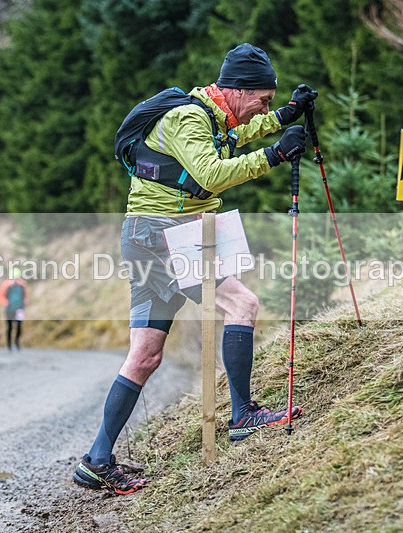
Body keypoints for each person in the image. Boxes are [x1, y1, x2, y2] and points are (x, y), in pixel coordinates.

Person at [73, 43, 317, 495]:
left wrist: (285, 114)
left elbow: (235, 136)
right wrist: (275, 156)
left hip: (149, 236)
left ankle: (97, 461)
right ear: (238, 90)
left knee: (145, 355)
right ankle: (243, 416)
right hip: (166, 237)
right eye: (260, 100)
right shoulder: (189, 118)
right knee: (242, 303)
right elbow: (210, 175)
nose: (259, 109)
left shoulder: (215, 116)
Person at [0, 267, 28, 351]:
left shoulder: (22, 284)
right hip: (9, 309)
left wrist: (25, 301)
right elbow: (0, 296)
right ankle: (9, 344)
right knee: (9, 326)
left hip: (19, 309)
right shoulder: (6, 284)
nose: (16, 280)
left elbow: (25, 295)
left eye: (17, 278)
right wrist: (6, 303)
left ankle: (17, 343)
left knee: (19, 325)